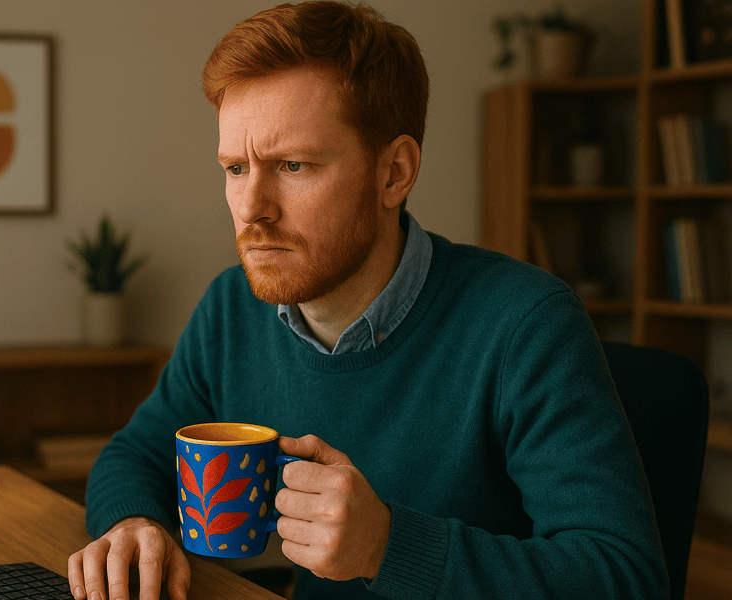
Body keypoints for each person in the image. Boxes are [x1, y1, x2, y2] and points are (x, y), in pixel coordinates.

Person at [67, 2, 668, 599]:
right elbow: (134, 454)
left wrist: (387, 546)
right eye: (234, 167)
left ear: (394, 173)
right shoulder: (231, 309)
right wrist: (134, 525)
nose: (252, 209)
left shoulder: (526, 325)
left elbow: (624, 576)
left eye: (293, 165)